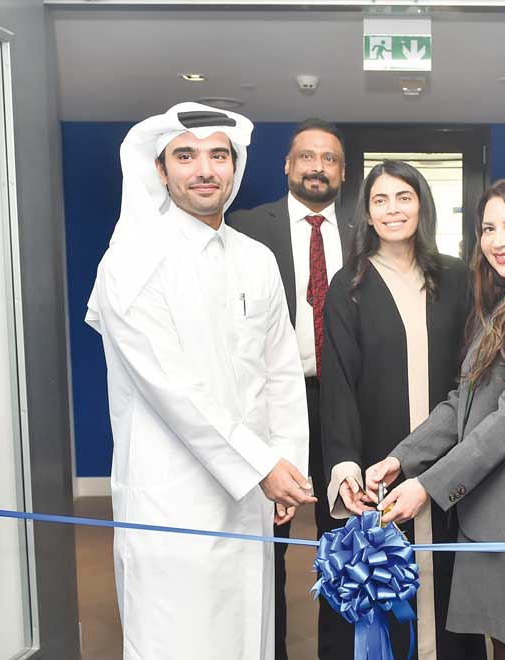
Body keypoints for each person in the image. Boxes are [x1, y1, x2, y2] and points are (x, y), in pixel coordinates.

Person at [85, 102, 316, 660]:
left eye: (218, 155)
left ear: (234, 167)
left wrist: (287, 460)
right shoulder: (130, 262)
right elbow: (173, 390)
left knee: (248, 633)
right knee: (177, 637)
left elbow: (280, 370)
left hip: (252, 496)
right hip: (171, 497)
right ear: (160, 171)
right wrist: (263, 465)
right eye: (185, 156)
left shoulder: (256, 258)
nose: (204, 169)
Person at [364, 176, 505, 660]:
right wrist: (402, 460)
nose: (498, 241)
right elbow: (460, 403)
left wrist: (428, 486)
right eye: (489, 228)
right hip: (483, 517)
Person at [321, 160, 486, 660]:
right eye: (380, 200)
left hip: (449, 458)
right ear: (367, 215)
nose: (393, 210)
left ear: (421, 205)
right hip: (378, 461)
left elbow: (473, 374)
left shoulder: (456, 276)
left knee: (452, 587)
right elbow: (339, 387)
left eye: (404, 197)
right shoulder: (347, 283)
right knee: (384, 594)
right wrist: (346, 463)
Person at [227, 118, 351, 660]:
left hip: (344, 401)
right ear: (287, 165)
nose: (317, 167)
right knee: (266, 540)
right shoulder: (246, 227)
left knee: (343, 536)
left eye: (328, 159)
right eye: (306, 157)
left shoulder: (365, 230)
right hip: (271, 401)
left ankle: (340, 650)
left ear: (342, 172)